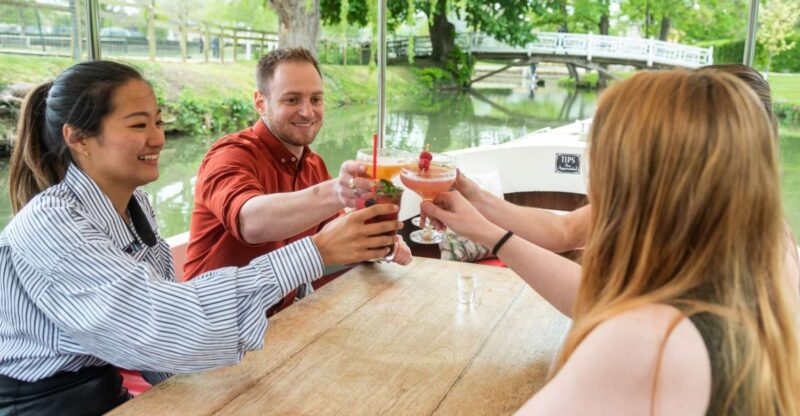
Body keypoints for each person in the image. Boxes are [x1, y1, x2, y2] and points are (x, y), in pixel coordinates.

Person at [0, 60, 401, 414]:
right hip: (43, 402)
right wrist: (316, 249)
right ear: (78, 138)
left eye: (158, 121)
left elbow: (158, 346)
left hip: (112, 381)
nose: (158, 138)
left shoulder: (134, 203)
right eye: (139, 125)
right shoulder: (51, 226)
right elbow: (162, 325)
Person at [423, 70, 799, 414]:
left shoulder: (653, 340)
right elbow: (592, 285)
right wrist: (482, 211)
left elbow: (597, 302)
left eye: (602, 155)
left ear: (640, 180)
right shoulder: (735, 285)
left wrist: (490, 234)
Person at [183, 48, 411, 309]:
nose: (307, 112)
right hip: (212, 329)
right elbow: (250, 223)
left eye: (316, 99)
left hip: (280, 322)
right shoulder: (229, 155)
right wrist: (337, 191)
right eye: (291, 100)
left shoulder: (313, 164)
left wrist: (382, 243)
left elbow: (337, 236)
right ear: (260, 103)